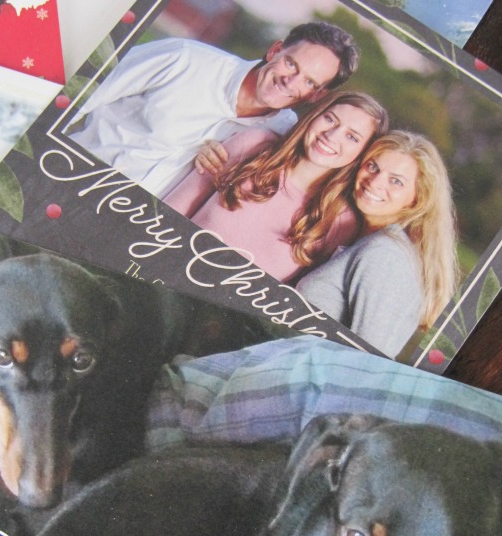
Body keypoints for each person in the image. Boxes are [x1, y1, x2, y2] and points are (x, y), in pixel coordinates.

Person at [67, 22, 359, 197]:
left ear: (317, 94)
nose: (291, 81)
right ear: (275, 50)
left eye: (309, 81)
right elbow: (81, 95)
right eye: (291, 63)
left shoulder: (284, 135)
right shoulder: (185, 58)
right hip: (70, 175)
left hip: (127, 226)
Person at [164, 92, 389, 282]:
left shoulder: (339, 220)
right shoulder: (254, 145)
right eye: (330, 119)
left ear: (363, 154)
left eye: (352, 137)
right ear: (314, 116)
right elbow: (169, 214)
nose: (331, 136)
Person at [295, 131, 459, 358]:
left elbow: (368, 361)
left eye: (396, 181)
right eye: (373, 167)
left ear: (417, 198)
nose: (375, 182)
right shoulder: (369, 240)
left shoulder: (385, 254)